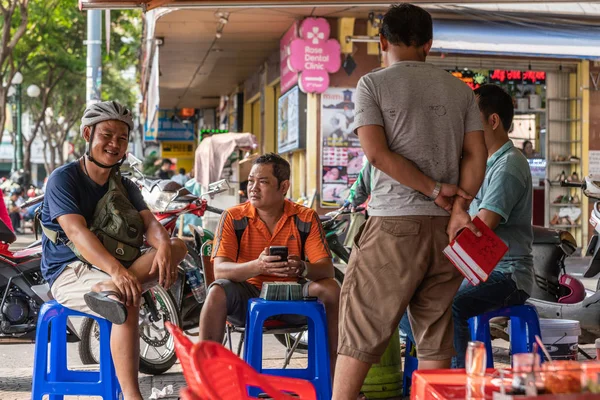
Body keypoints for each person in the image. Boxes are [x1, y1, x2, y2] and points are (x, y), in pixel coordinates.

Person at [332, 4, 487, 399]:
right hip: (446, 232)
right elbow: (476, 155)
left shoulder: (372, 84)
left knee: (360, 331)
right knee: (434, 336)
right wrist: (459, 206)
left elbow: (377, 155)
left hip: (393, 226)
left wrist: (433, 189)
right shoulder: (460, 90)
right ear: (429, 45)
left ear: (382, 41)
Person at [40, 101, 188, 400]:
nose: (114, 144)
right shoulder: (63, 178)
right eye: (107, 135)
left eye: (122, 138)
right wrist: (119, 273)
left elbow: (152, 226)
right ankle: (133, 397)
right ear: (87, 134)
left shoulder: (125, 184)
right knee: (126, 302)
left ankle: (110, 290)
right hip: (69, 270)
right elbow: (76, 232)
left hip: (114, 268)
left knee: (178, 245)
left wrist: (163, 248)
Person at [401, 84, 534, 368]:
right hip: (475, 269)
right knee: (406, 299)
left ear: (493, 121)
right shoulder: (480, 164)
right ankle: (438, 366)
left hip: (507, 275)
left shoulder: (508, 165)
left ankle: (462, 382)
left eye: (471, 119)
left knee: (448, 306)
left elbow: (481, 227)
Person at [199, 153, 341, 372]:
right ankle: (205, 378)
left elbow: (326, 268)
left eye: (263, 182)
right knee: (217, 291)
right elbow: (220, 270)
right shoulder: (233, 217)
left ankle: (335, 376)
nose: (253, 188)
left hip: (294, 294)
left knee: (331, 289)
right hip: (248, 294)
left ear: (283, 186)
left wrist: (302, 266)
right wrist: (259, 266)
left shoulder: (305, 217)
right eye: (251, 181)